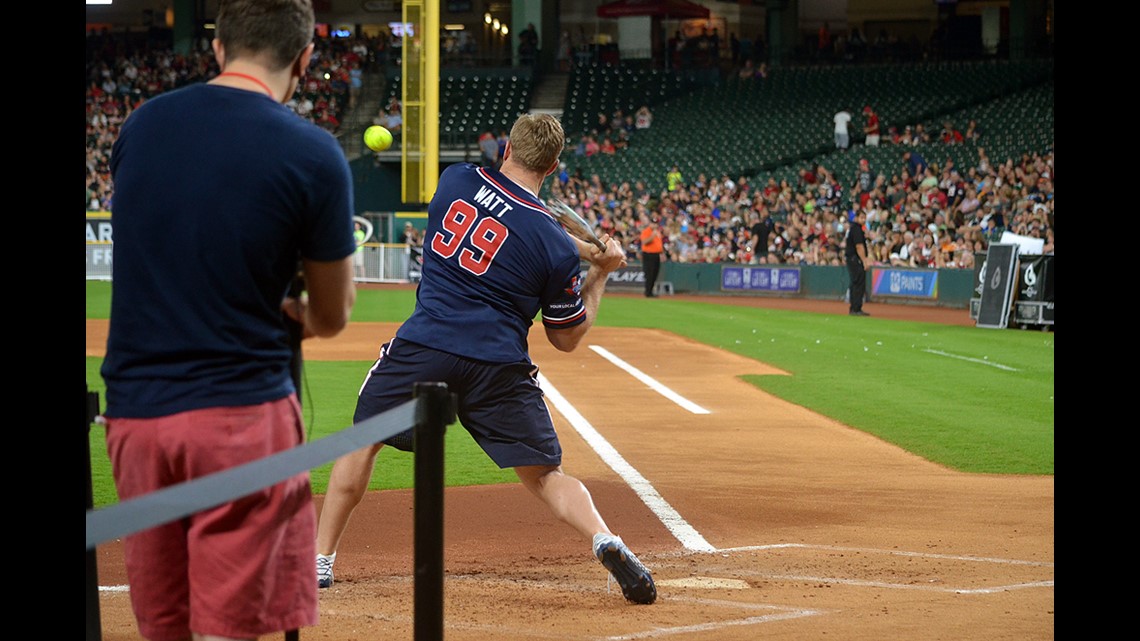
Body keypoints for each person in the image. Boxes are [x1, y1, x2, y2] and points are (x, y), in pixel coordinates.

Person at [314, 112, 657, 605]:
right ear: (554, 164)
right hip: (498, 365)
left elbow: (504, 218)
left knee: (362, 441)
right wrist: (599, 272)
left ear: (506, 149)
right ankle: (605, 539)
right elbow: (567, 338)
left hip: (426, 346)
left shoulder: (455, 179)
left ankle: (322, 562)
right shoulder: (555, 248)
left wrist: (585, 251)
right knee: (545, 475)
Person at [99, 1, 358, 640]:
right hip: (241, 417)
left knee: (165, 625)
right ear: (304, 59)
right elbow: (332, 313)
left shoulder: (140, 126)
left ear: (217, 48)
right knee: (229, 629)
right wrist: (293, 309)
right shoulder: (312, 152)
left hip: (136, 417)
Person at [845, 210, 871, 316]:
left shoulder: (855, 229)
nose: (863, 220)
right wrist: (864, 260)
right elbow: (859, 246)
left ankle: (855, 307)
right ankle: (856, 308)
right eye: (861, 217)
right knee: (858, 283)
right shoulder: (856, 230)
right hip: (855, 259)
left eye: (864, 218)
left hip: (853, 259)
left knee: (856, 283)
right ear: (856, 218)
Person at [638, 211, 664, 297]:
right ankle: (648, 292)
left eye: (656, 224)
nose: (655, 225)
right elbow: (644, 242)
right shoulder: (646, 231)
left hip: (656, 255)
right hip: (648, 255)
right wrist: (652, 236)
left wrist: (662, 253)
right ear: (650, 223)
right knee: (649, 273)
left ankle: (651, 291)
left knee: (655, 274)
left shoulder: (658, 232)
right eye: (653, 223)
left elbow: (659, 244)